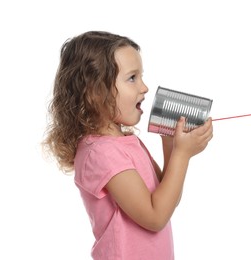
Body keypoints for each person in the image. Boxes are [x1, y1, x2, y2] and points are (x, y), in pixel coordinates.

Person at [43, 31, 213, 260]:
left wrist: (171, 144)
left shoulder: (125, 142)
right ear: (95, 92)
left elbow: (166, 200)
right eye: (132, 78)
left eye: (141, 77)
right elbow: (155, 217)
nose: (144, 87)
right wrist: (182, 155)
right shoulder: (102, 153)